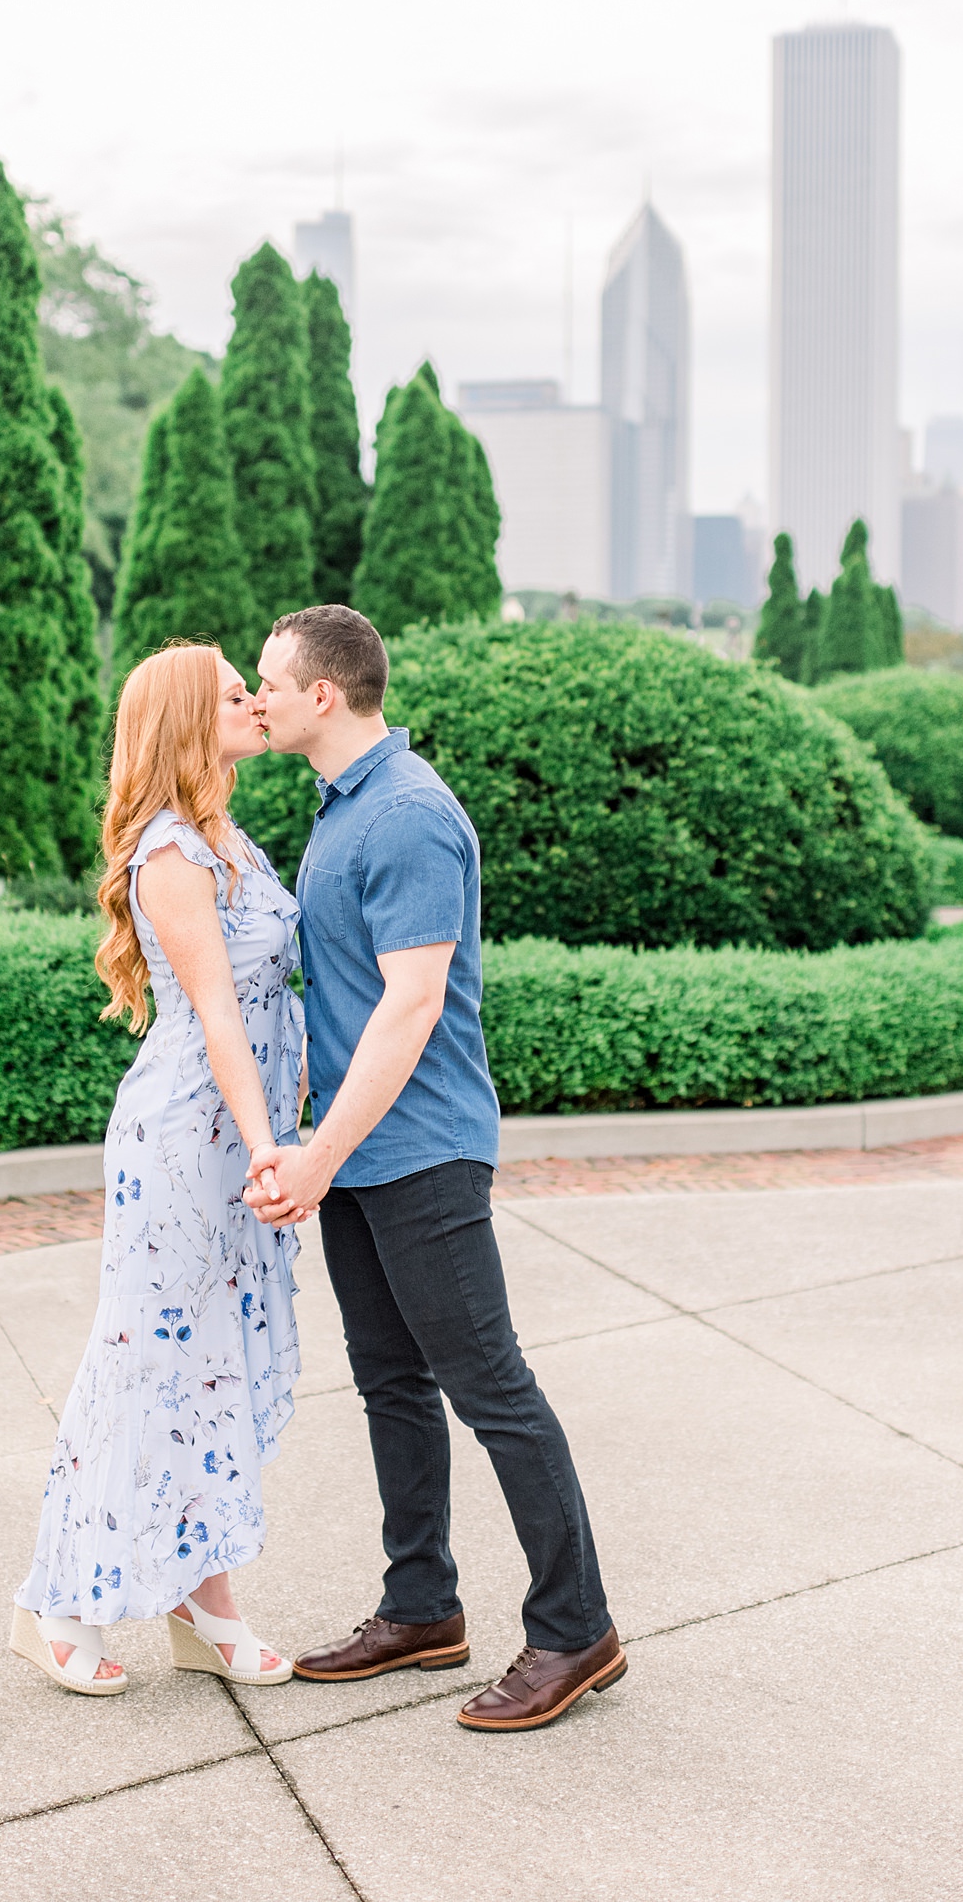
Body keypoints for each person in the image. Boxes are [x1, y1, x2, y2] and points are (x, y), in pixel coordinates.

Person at [246, 604, 625, 1734]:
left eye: (268, 682)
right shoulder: (342, 807)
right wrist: (325, 1152)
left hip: (423, 1152)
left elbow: (411, 1007)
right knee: (392, 1383)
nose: (256, 699)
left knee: (491, 1389)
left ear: (325, 694)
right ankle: (422, 1609)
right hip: (362, 1154)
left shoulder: (409, 815)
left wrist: (316, 1153)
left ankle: (576, 1629)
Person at [11, 642, 303, 1694]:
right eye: (237, 693)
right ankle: (54, 1603)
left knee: (210, 1366)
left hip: (237, 1134)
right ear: (188, 720)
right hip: (190, 1140)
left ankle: (205, 1606)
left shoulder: (234, 840)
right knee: (145, 1363)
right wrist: (270, 1142)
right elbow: (220, 1010)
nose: (257, 703)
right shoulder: (171, 853)